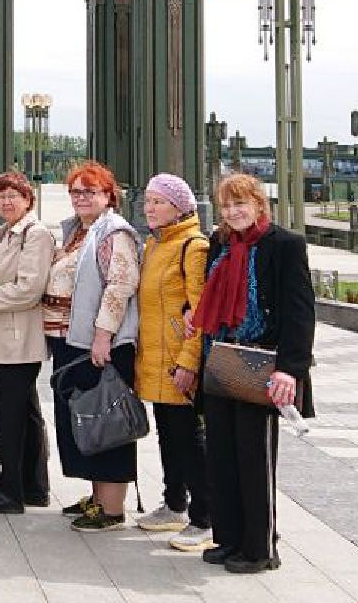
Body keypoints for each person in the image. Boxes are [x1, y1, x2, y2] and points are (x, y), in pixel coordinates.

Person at [194, 172, 316, 575]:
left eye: (240, 203)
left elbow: (300, 312)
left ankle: (260, 548)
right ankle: (229, 539)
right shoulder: (220, 243)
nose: (233, 212)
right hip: (221, 357)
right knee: (221, 455)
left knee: (253, 457)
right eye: (227, 205)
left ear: (259, 204)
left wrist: (290, 370)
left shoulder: (285, 245)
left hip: (261, 361)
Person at [48, 161, 142, 532]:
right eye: (76, 191)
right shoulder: (78, 230)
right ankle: (98, 496)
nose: (81, 198)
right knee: (87, 419)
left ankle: (112, 507)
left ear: (108, 195)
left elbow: (119, 286)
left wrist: (103, 335)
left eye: (90, 191)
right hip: (72, 341)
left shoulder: (114, 232)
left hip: (100, 345)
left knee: (108, 419)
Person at [0, 171, 54, 515]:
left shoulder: (35, 235)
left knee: (10, 415)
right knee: (26, 413)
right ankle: (33, 486)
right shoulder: (8, 233)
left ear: (28, 200)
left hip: (19, 340)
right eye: (1, 196)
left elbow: (29, 289)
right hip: (11, 339)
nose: (5, 202)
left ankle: (10, 491)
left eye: (12, 196)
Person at [133, 173, 214, 552]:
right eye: (148, 201)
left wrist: (189, 362)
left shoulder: (192, 247)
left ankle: (205, 517)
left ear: (179, 208)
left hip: (178, 360)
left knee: (188, 437)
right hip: (155, 356)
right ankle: (174, 503)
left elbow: (199, 311)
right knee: (168, 434)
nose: (150, 208)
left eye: (159, 202)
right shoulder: (155, 243)